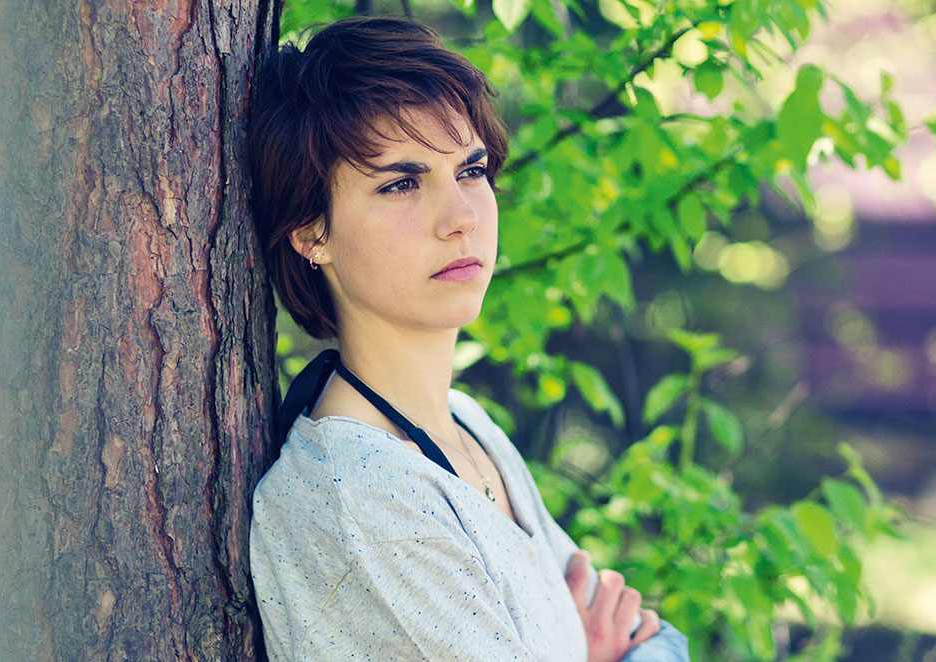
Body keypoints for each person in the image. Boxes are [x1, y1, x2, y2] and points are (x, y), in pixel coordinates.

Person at [244, 15, 691, 662]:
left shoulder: (467, 424)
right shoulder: (357, 502)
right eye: (401, 183)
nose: (460, 218)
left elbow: (652, 641)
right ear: (313, 232)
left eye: (471, 170)